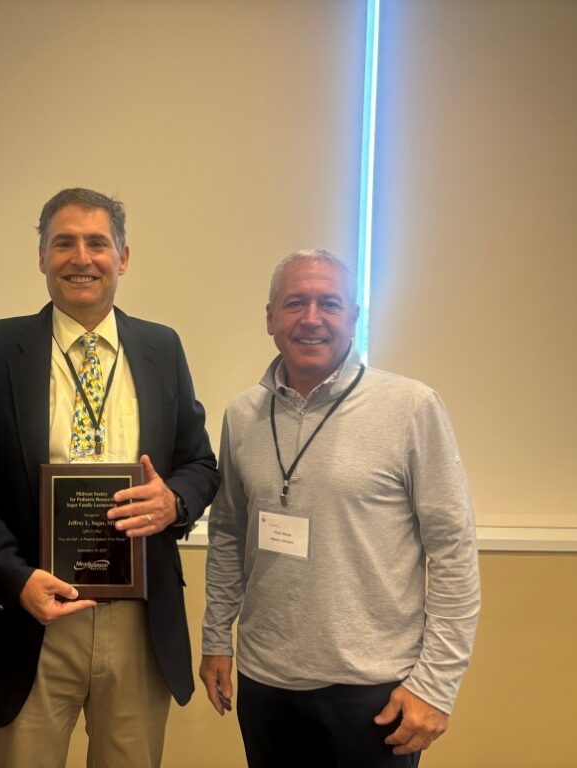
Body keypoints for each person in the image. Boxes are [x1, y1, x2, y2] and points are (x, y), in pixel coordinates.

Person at [0, 188, 219, 767]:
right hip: (29, 614)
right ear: (42, 257)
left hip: (139, 619)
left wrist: (174, 502)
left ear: (123, 257)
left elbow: (200, 464)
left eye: (97, 243)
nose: (81, 258)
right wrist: (15, 578)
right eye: (64, 243)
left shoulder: (162, 347)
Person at [200, 249, 480, 767]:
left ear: (353, 317)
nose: (311, 318)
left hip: (374, 691)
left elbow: (454, 552)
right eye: (295, 303)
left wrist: (436, 685)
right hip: (266, 683)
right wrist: (217, 638)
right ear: (270, 318)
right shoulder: (242, 415)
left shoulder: (411, 408)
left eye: (329, 303)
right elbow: (228, 533)